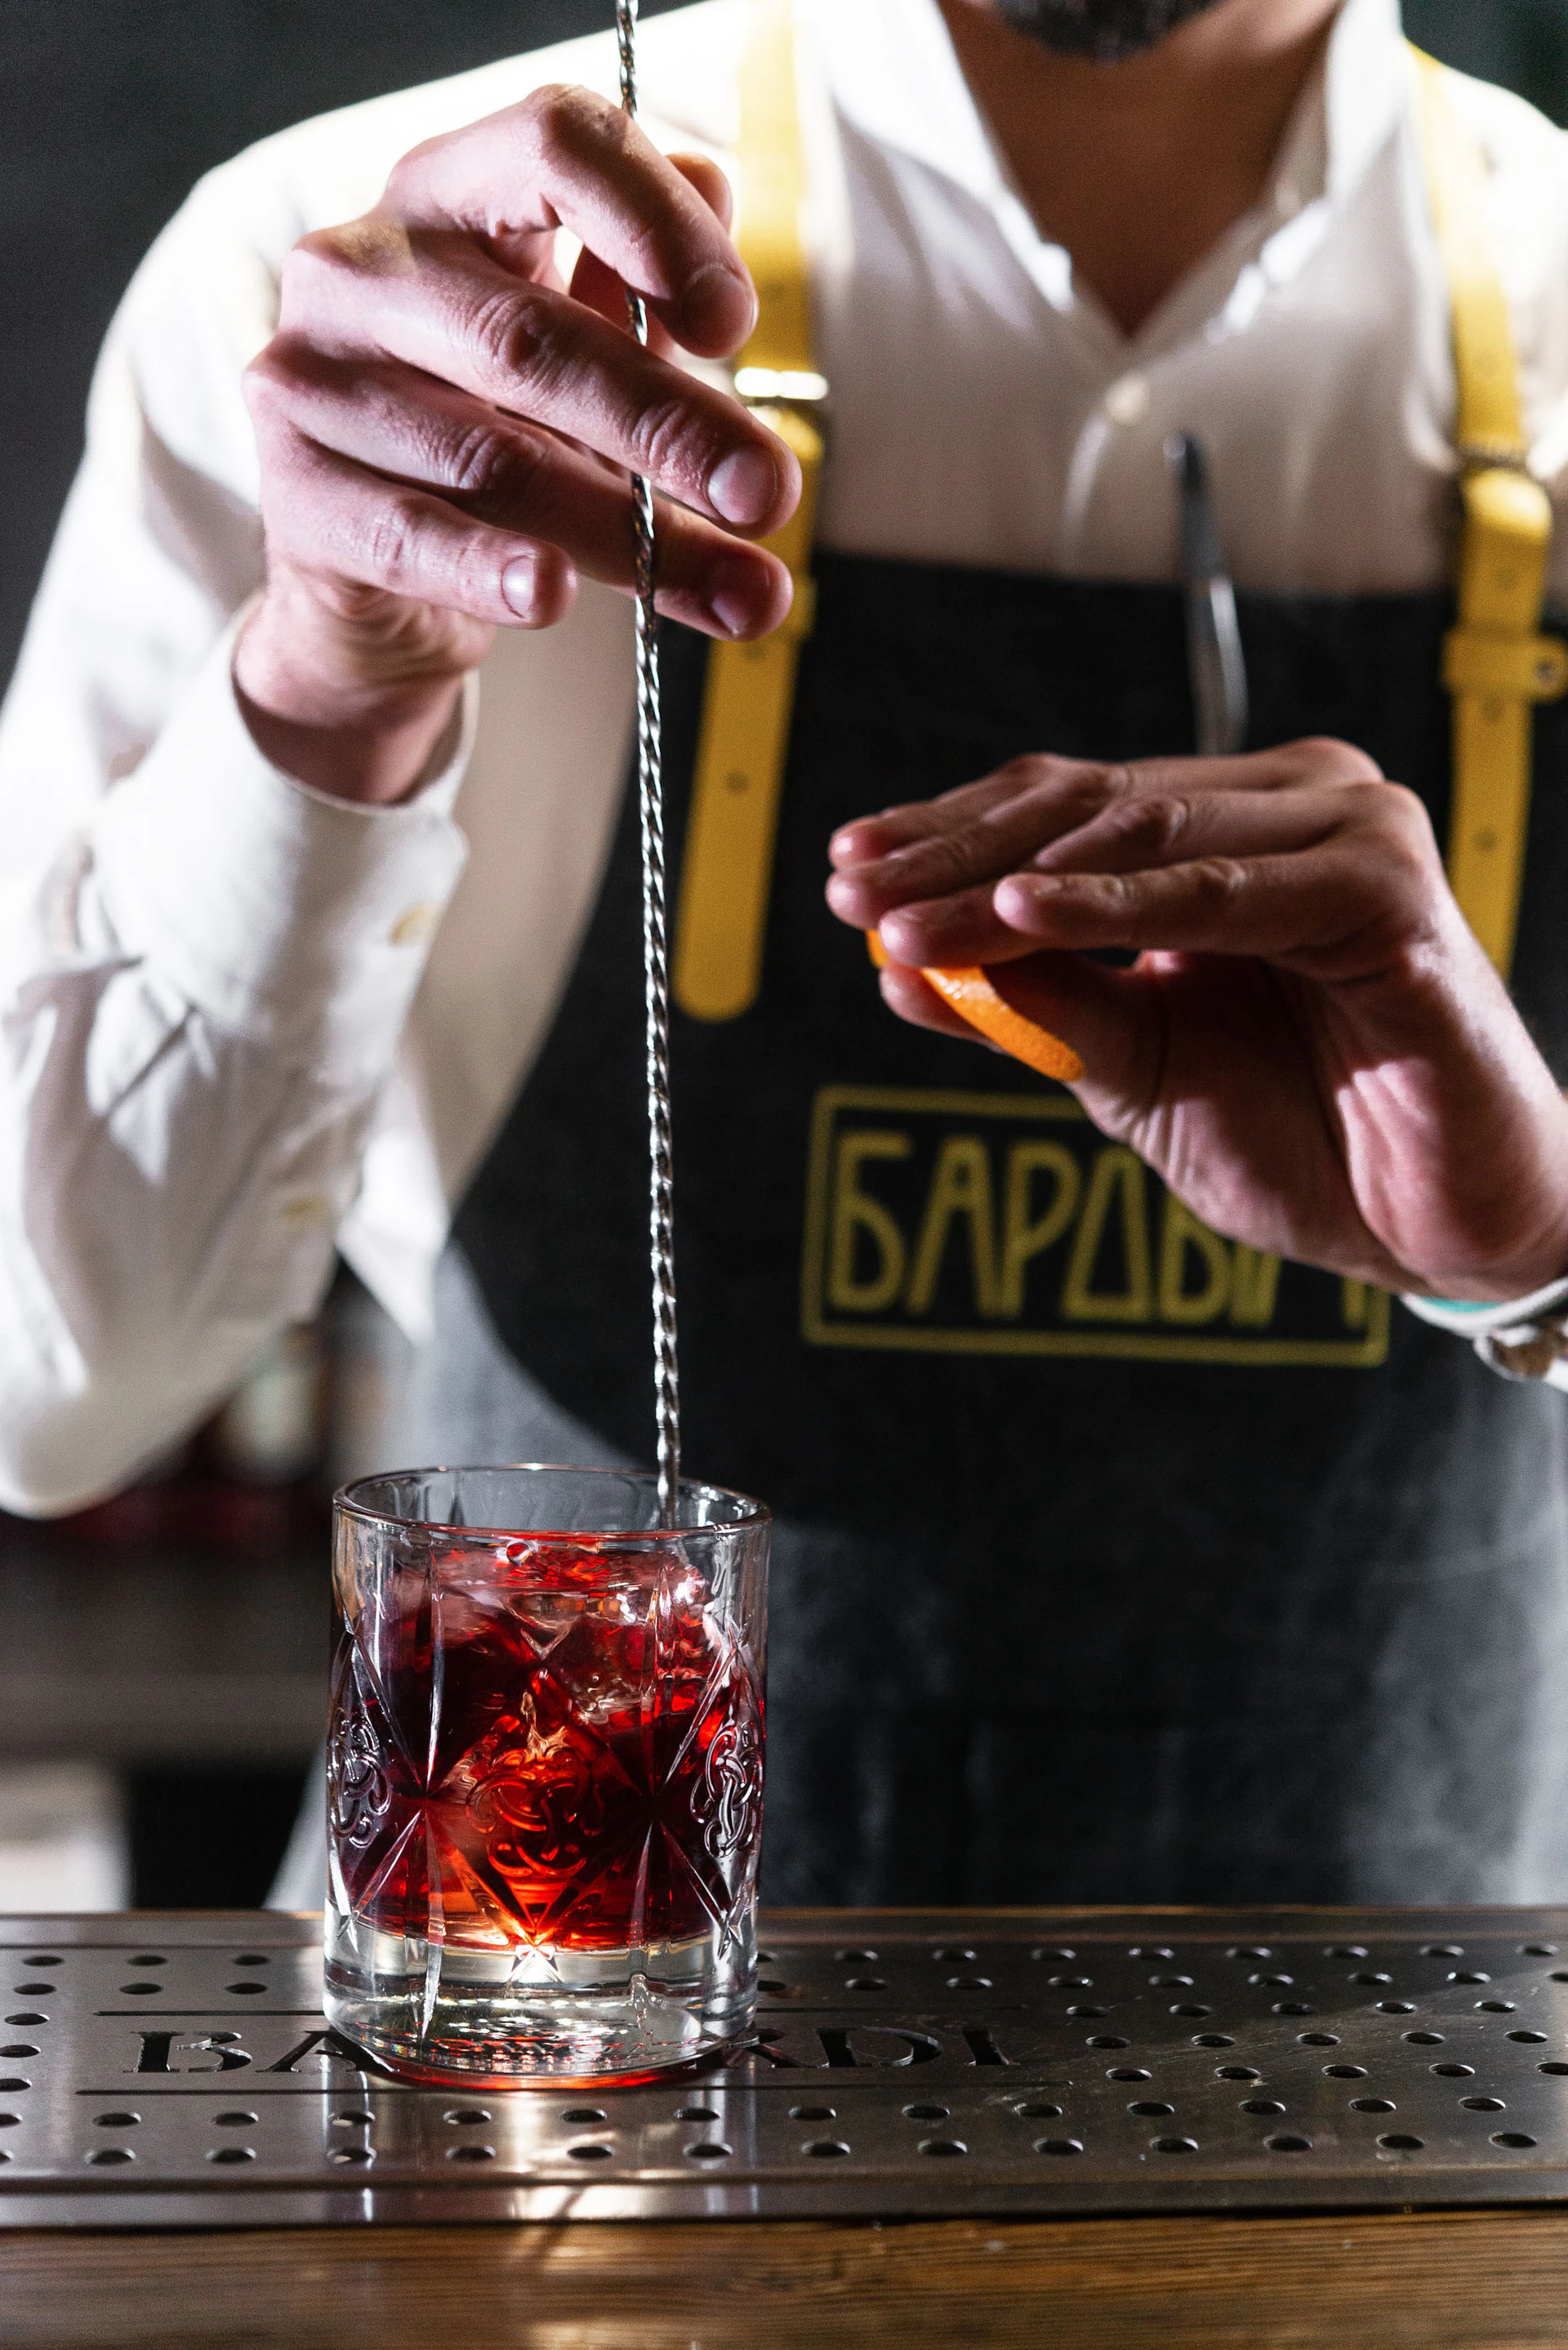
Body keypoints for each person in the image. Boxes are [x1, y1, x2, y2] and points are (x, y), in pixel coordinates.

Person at [6, 0, 1568, 1906]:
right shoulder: (358, 293)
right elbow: (50, 1387)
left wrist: (1537, 1266)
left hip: (1415, 2139)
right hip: (534, 2088)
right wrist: (327, 690)